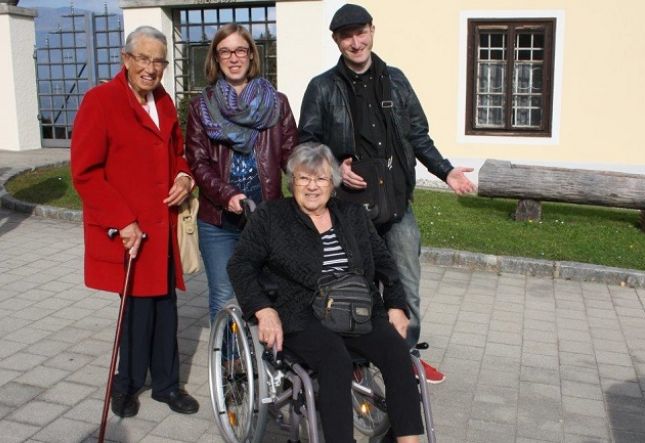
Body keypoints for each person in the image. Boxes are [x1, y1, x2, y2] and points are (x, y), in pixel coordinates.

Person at [298, 3, 477, 383]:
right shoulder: (322, 87)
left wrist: (445, 171)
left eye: (361, 32)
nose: (356, 42)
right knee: (351, 287)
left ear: (373, 31)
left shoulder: (396, 80)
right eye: (347, 36)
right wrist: (335, 169)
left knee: (405, 285)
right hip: (347, 211)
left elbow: (417, 135)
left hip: (396, 206)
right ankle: (355, 362)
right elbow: (306, 144)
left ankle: (406, 358)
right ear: (336, 40)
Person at [227, 143, 424, 443]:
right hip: (301, 314)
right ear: (291, 182)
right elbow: (240, 264)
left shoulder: (353, 214)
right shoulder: (271, 217)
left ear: (333, 183)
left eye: (320, 179)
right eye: (303, 178)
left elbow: (385, 261)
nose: (312, 186)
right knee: (335, 359)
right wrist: (263, 310)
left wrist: (396, 305)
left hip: (358, 310)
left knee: (397, 352)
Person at [70, 26, 199, 417]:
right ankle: (124, 385)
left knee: (166, 306)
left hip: (162, 226)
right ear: (126, 60)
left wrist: (184, 175)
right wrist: (123, 220)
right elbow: (86, 173)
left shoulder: (163, 102)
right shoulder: (101, 101)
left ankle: (166, 385)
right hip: (131, 230)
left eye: (158, 61)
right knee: (137, 311)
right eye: (143, 58)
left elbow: (178, 152)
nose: (151, 68)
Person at [185, 23, 297, 325]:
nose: (233, 58)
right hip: (218, 222)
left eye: (240, 50)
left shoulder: (277, 103)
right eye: (225, 52)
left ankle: (270, 361)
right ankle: (230, 365)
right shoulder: (201, 106)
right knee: (224, 296)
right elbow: (197, 162)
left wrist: (315, 175)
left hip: (266, 218)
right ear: (216, 58)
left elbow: (292, 156)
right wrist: (227, 194)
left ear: (251, 55)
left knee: (268, 293)